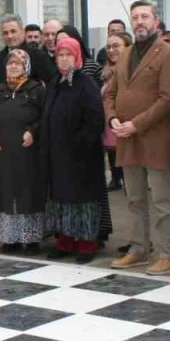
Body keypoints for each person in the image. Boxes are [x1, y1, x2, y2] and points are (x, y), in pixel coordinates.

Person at [105, 1, 170, 276]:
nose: (139, 21)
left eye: (145, 16)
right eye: (135, 17)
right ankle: (139, 248)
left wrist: (135, 125)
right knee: (135, 198)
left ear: (156, 21)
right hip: (126, 138)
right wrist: (112, 118)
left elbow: (168, 99)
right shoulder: (125, 53)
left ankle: (169, 254)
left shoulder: (168, 54)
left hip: (155, 137)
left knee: (162, 200)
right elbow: (111, 93)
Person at [43, 39, 106, 263]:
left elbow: (95, 121)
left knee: (84, 201)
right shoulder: (55, 82)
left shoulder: (86, 84)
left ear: (77, 56)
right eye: (60, 55)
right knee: (62, 199)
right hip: (57, 153)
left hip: (82, 155)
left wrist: (78, 144)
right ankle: (66, 240)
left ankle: (87, 243)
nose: (64, 59)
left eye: (69, 55)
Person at [0, 49, 47, 255]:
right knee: (4, 193)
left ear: (26, 66)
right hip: (2, 153)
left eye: (18, 63)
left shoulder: (37, 89)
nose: (13, 66)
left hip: (27, 153)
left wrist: (32, 131)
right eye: (10, 63)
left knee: (27, 193)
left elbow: (45, 117)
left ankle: (31, 240)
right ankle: (9, 239)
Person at [100, 32, 130, 191]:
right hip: (109, 117)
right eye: (108, 47)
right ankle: (116, 178)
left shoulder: (132, 70)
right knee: (112, 149)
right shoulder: (105, 71)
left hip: (126, 119)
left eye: (116, 46)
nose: (111, 50)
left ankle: (128, 181)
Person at [0, 14, 57, 86]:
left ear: (23, 32)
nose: (9, 36)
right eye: (5, 33)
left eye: (13, 31)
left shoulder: (38, 56)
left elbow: (52, 84)